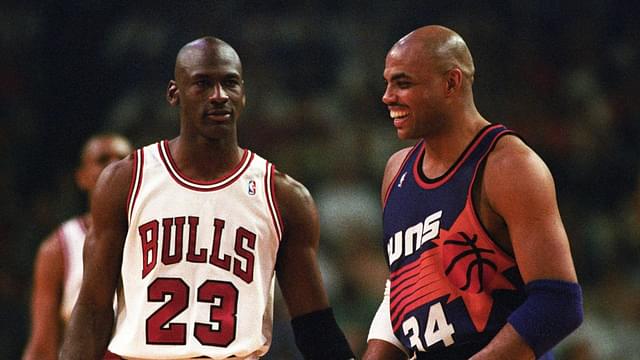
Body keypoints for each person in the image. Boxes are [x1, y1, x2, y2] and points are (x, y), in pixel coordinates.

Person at [59, 36, 354, 360]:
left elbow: (315, 327)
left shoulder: (283, 196)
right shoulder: (125, 180)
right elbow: (92, 310)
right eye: (203, 83)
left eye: (230, 83)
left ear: (243, 94)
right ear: (175, 93)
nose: (219, 96)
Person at [362, 25, 583, 360]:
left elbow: (558, 303)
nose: (387, 96)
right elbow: (401, 289)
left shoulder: (508, 165)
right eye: (387, 82)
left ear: (451, 82)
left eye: (403, 83)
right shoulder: (396, 171)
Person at [22, 133, 133, 360]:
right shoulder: (57, 247)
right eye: (102, 159)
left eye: (122, 159)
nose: (113, 165)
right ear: (81, 177)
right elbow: (42, 345)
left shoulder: (156, 231)